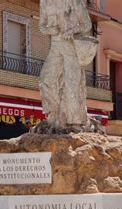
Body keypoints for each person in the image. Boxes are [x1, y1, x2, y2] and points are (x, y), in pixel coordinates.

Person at [39, 0, 93, 129]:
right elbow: (42, 26)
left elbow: (87, 25)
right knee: (45, 80)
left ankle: (75, 122)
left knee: (72, 85)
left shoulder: (75, 2)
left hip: (71, 48)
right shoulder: (45, 3)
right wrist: (49, 30)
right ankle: (54, 115)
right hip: (55, 47)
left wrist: (72, 30)